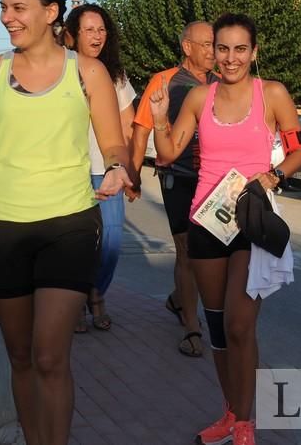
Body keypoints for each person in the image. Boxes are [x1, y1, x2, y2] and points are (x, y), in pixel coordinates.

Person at [0, 0, 131, 445]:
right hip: (2, 228)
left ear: (50, 12)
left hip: (69, 225)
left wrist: (119, 167)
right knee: (20, 356)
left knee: (48, 356)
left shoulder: (87, 71)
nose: (7, 17)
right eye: (4, 7)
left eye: (18, 7)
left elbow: (113, 144)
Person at [150, 13, 301, 445]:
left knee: (240, 325)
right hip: (206, 221)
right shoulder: (200, 97)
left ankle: (245, 422)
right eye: (223, 48)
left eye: (240, 49)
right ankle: (230, 412)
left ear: (253, 52)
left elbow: (299, 151)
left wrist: (272, 177)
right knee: (218, 329)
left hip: (250, 219)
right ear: (212, 51)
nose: (231, 58)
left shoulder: (271, 94)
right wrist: (162, 117)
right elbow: (167, 154)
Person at [131, 21, 218, 357]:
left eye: (215, 44)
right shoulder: (164, 81)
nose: (213, 51)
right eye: (207, 44)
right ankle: (191, 326)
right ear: (187, 47)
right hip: (178, 176)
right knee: (186, 248)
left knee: (206, 249)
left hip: (213, 179)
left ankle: (178, 299)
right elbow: (141, 130)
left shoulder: (221, 82)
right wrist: (134, 174)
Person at [64, 3, 136, 332]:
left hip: (106, 170)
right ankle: (77, 302)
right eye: (90, 29)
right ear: (73, 35)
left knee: (110, 243)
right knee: (74, 244)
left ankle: (96, 294)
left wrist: (128, 171)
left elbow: (128, 126)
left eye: (102, 28)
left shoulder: (116, 76)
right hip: (70, 171)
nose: (98, 35)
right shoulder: (60, 72)